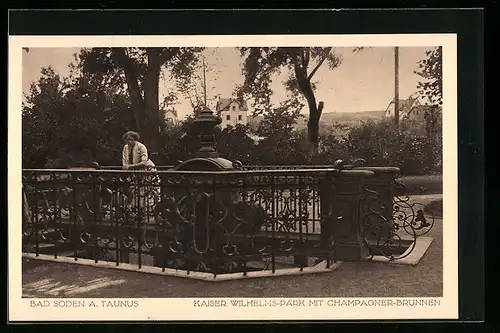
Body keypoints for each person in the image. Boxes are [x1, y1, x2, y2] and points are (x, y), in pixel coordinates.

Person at [121, 131, 160, 219]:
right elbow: (124, 161)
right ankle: (137, 211)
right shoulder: (126, 148)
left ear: (135, 139)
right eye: (127, 140)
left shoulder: (141, 147)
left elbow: (144, 162)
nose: (129, 142)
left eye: (131, 140)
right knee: (135, 190)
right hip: (135, 172)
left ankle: (150, 211)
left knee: (148, 190)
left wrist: (131, 166)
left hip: (147, 171)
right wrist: (126, 168)